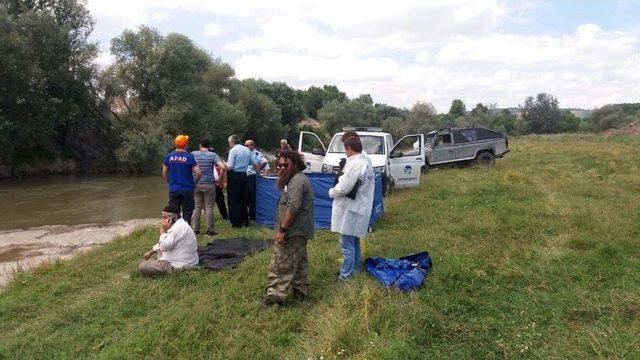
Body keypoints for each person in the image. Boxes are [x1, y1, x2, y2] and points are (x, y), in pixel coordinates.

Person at [264, 150, 314, 306]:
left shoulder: (297, 181)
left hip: (293, 231)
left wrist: (282, 230)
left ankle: (276, 298)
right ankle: (300, 292)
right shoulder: (293, 179)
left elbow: (293, 207)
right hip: (299, 231)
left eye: (285, 165)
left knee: (281, 263)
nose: (281, 168)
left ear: (295, 164)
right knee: (298, 261)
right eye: (279, 165)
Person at [329, 135, 375, 281]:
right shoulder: (366, 162)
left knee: (347, 245)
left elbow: (344, 188)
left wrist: (331, 192)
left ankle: (345, 275)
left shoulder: (354, 164)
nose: (345, 153)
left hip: (350, 210)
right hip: (360, 207)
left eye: (345, 150)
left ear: (349, 149)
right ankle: (354, 271)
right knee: (354, 242)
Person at [139, 205, 199, 276]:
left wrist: (163, 231)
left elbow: (164, 246)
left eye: (164, 217)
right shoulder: (180, 224)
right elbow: (164, 242)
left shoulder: (176, 229)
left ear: (173, 219)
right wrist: (151, 252)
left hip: (179, 266)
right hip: (188, 262)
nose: (162, 220)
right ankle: (158, 262)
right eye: (162, 217)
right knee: (159, 252)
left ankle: (165, 268)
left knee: (143, 266)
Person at [162, 135, 201, 226]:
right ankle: (186, 232)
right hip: (187, 189)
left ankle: (175, 231)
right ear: (186, 144)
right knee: (187, 212)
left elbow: (164, 173)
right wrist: (194, 183)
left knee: (174, 213)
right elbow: (199, 173)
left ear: (176, 144)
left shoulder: (168, 157)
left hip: (174, 189)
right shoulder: (190, 157)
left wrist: (169, 182)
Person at [191, 139, 226, 236]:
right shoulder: (213, 155)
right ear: (209, 146)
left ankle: (195, 230)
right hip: (209, 184)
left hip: (196, 184)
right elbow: (223, 167)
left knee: (197, 207)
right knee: (209, 207)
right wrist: (219, 178)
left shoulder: (193, 154)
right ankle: (209, 231)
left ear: (200, 145)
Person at [226, 135, 257, 227]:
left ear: (232, 142)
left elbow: (230, 166)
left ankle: (236, 222)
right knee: (243, 198)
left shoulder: (233, 150)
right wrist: (259, 174)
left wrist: (224, 164)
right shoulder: (247, 150)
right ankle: (245, 220)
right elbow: (254, 163)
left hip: (234, 175)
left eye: (229, 142)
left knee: (234, 199)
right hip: (244, 175)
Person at [245, 139, 269, 221]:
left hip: (252, 176)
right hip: (245, 176)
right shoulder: (245, 153)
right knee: (246, 196)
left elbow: (265, 161)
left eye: (247, 145)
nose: (246, 147)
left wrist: (257, 170)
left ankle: (253, 215)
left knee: (252, 196)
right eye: (245, 145)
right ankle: (247, 214)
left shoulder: (257, 154)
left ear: (252, 146)